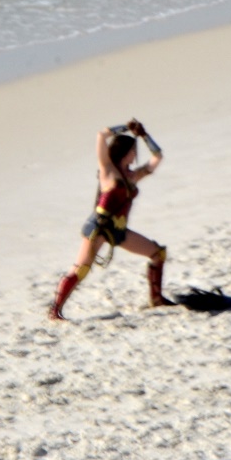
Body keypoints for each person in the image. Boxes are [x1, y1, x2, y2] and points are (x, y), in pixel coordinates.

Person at [48, 119, 174, 321]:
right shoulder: (108, 170)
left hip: (118, 231)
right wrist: (126, 127)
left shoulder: (132, 176)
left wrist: (144, 136)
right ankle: (55, 310)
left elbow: (157, 157)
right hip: (99, 228)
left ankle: (157, 299)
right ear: (126, 152)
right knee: (81, 268)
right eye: (133, 150)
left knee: (157, 253)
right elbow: (101, 135)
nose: (135, 154)